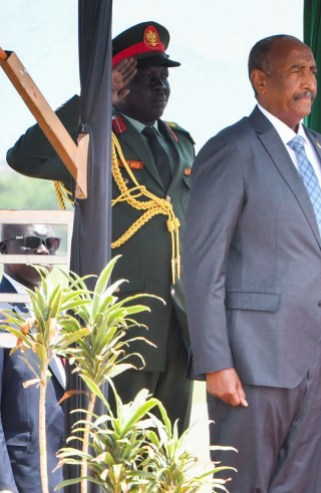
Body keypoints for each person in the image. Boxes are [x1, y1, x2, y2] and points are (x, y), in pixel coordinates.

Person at [183, 34, 321, 492]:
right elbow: (202, 264)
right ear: (260, 80)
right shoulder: (231, 149)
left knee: (304, 484)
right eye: (296, 70)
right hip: (252, 361)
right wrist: (216, 361)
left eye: (312, 70)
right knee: (246, 484)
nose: (309, 81)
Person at [5, 22, 195, 431]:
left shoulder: (182, 142)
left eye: (165, 78)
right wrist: (93, 102)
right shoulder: (94, 137)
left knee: (168, 448)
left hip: (179, 328)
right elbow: (24, 158)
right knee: (115, 453)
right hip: (120, 324)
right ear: (120, 84)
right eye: (148, 78)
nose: (161, 87)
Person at [0, 223, 67, 493]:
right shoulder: (2, 312)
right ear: (4, 250)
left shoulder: (62, 312)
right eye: (31, 242)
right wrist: (4, 485)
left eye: (50, 243)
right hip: (24, 475)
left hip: (69, 470)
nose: (42, 250)